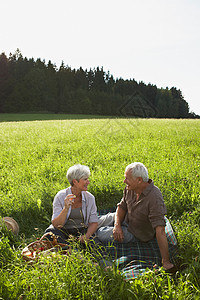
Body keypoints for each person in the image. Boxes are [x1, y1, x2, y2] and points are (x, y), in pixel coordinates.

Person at [96, 162, 174, 271]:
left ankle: (86, 237)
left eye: (127, 178)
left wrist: (166, 261)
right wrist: (117, 225)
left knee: (100, 233)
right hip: (126, 218)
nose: (124, 181)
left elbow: (160, 230)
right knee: (96, 221)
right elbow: (122, 207)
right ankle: (77, 230)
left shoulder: (154, 198)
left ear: (139, 180)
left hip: (136, 233)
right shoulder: (130, 188)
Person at [45, 164, 98, 244]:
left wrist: (86, 236)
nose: (88, 182)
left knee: (96, 244)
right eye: (85, 179)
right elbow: (56, 225)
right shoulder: (60, 196)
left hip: (82, 231)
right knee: (51, 233)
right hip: (63, 232)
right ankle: (70, 249)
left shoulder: (90, 198)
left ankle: (73, 249)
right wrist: (65, 208)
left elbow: (94, 222)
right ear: (75, 181)